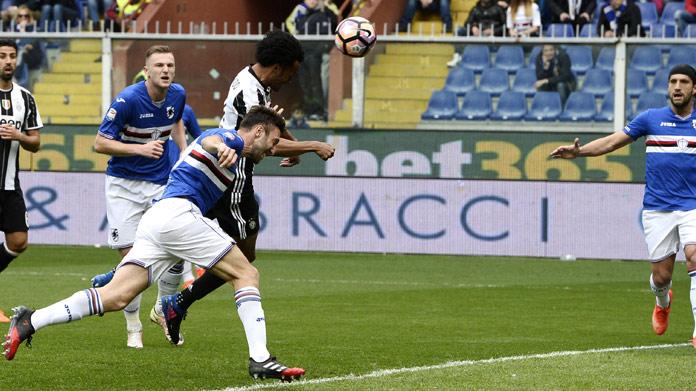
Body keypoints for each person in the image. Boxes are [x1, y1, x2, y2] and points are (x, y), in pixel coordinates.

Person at [3, 105, 306, 381]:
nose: (273, 149)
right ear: (257, 132)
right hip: (177, 214)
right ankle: (261, 359)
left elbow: (217, 145)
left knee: (116, 297)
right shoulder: (231, 139)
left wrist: (267, 123)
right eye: (274, 142)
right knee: (246, 273)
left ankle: (31, 320)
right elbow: (215, 142)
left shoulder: (232, 144)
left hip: (158, 219)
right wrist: (226, 146)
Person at [157, 31, 335, 345]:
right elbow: (261, 143)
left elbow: (271, 131)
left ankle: (171, 295)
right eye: (292, 72)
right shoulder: (250, 95)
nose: (291, 79)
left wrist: (292, 145)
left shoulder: (254, 83)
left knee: (234, 250)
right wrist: (311, 146)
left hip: (228, 172)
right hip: (233, 176)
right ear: (279, 68)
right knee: (242, 255)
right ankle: (176, 302)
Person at [550, 64, 696, 349]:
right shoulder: (651, 119)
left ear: (695, 88)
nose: (677, 87)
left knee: (694, 257)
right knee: (661, 276)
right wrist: (579, 153)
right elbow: (611, 142)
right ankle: (662, 302)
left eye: (684, 82)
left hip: (692, 206)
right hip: (658, 208)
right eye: (672, 82)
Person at [91, 44, 188, 349]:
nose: (166, 70)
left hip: (160, 182)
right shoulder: (128, 100)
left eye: (170, 65)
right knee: (133, 260)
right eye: (159, 65)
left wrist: (183, 151)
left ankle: (162, 309)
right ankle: (133, 328)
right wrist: (140, 149)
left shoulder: (177, 94)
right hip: (123, 185)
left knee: (176, 249)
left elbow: (176, 122)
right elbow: (99, 143)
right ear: (147, 71)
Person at [0, 39, 41, 324]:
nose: (8, 61)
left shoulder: (25, 98)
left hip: (10, 185)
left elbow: (35, 143)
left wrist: (19, 136)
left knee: (18, 241)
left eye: (12, 56)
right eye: (2, 56)